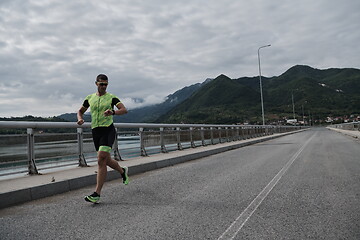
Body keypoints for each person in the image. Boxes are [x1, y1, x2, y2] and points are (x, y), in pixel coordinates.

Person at [77, 74, 129, 203]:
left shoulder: (111, 98)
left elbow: (124, 110)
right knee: (106, 160)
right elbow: (80, 111)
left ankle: (97, 193)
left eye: (106, 84)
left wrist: (113, 112)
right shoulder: (89, 98)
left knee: (101, 159)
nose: (104, 86)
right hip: (95, 131)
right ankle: (122, 171)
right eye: (101, 84)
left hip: (108, 129)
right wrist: (80, 119)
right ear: (96, 84)